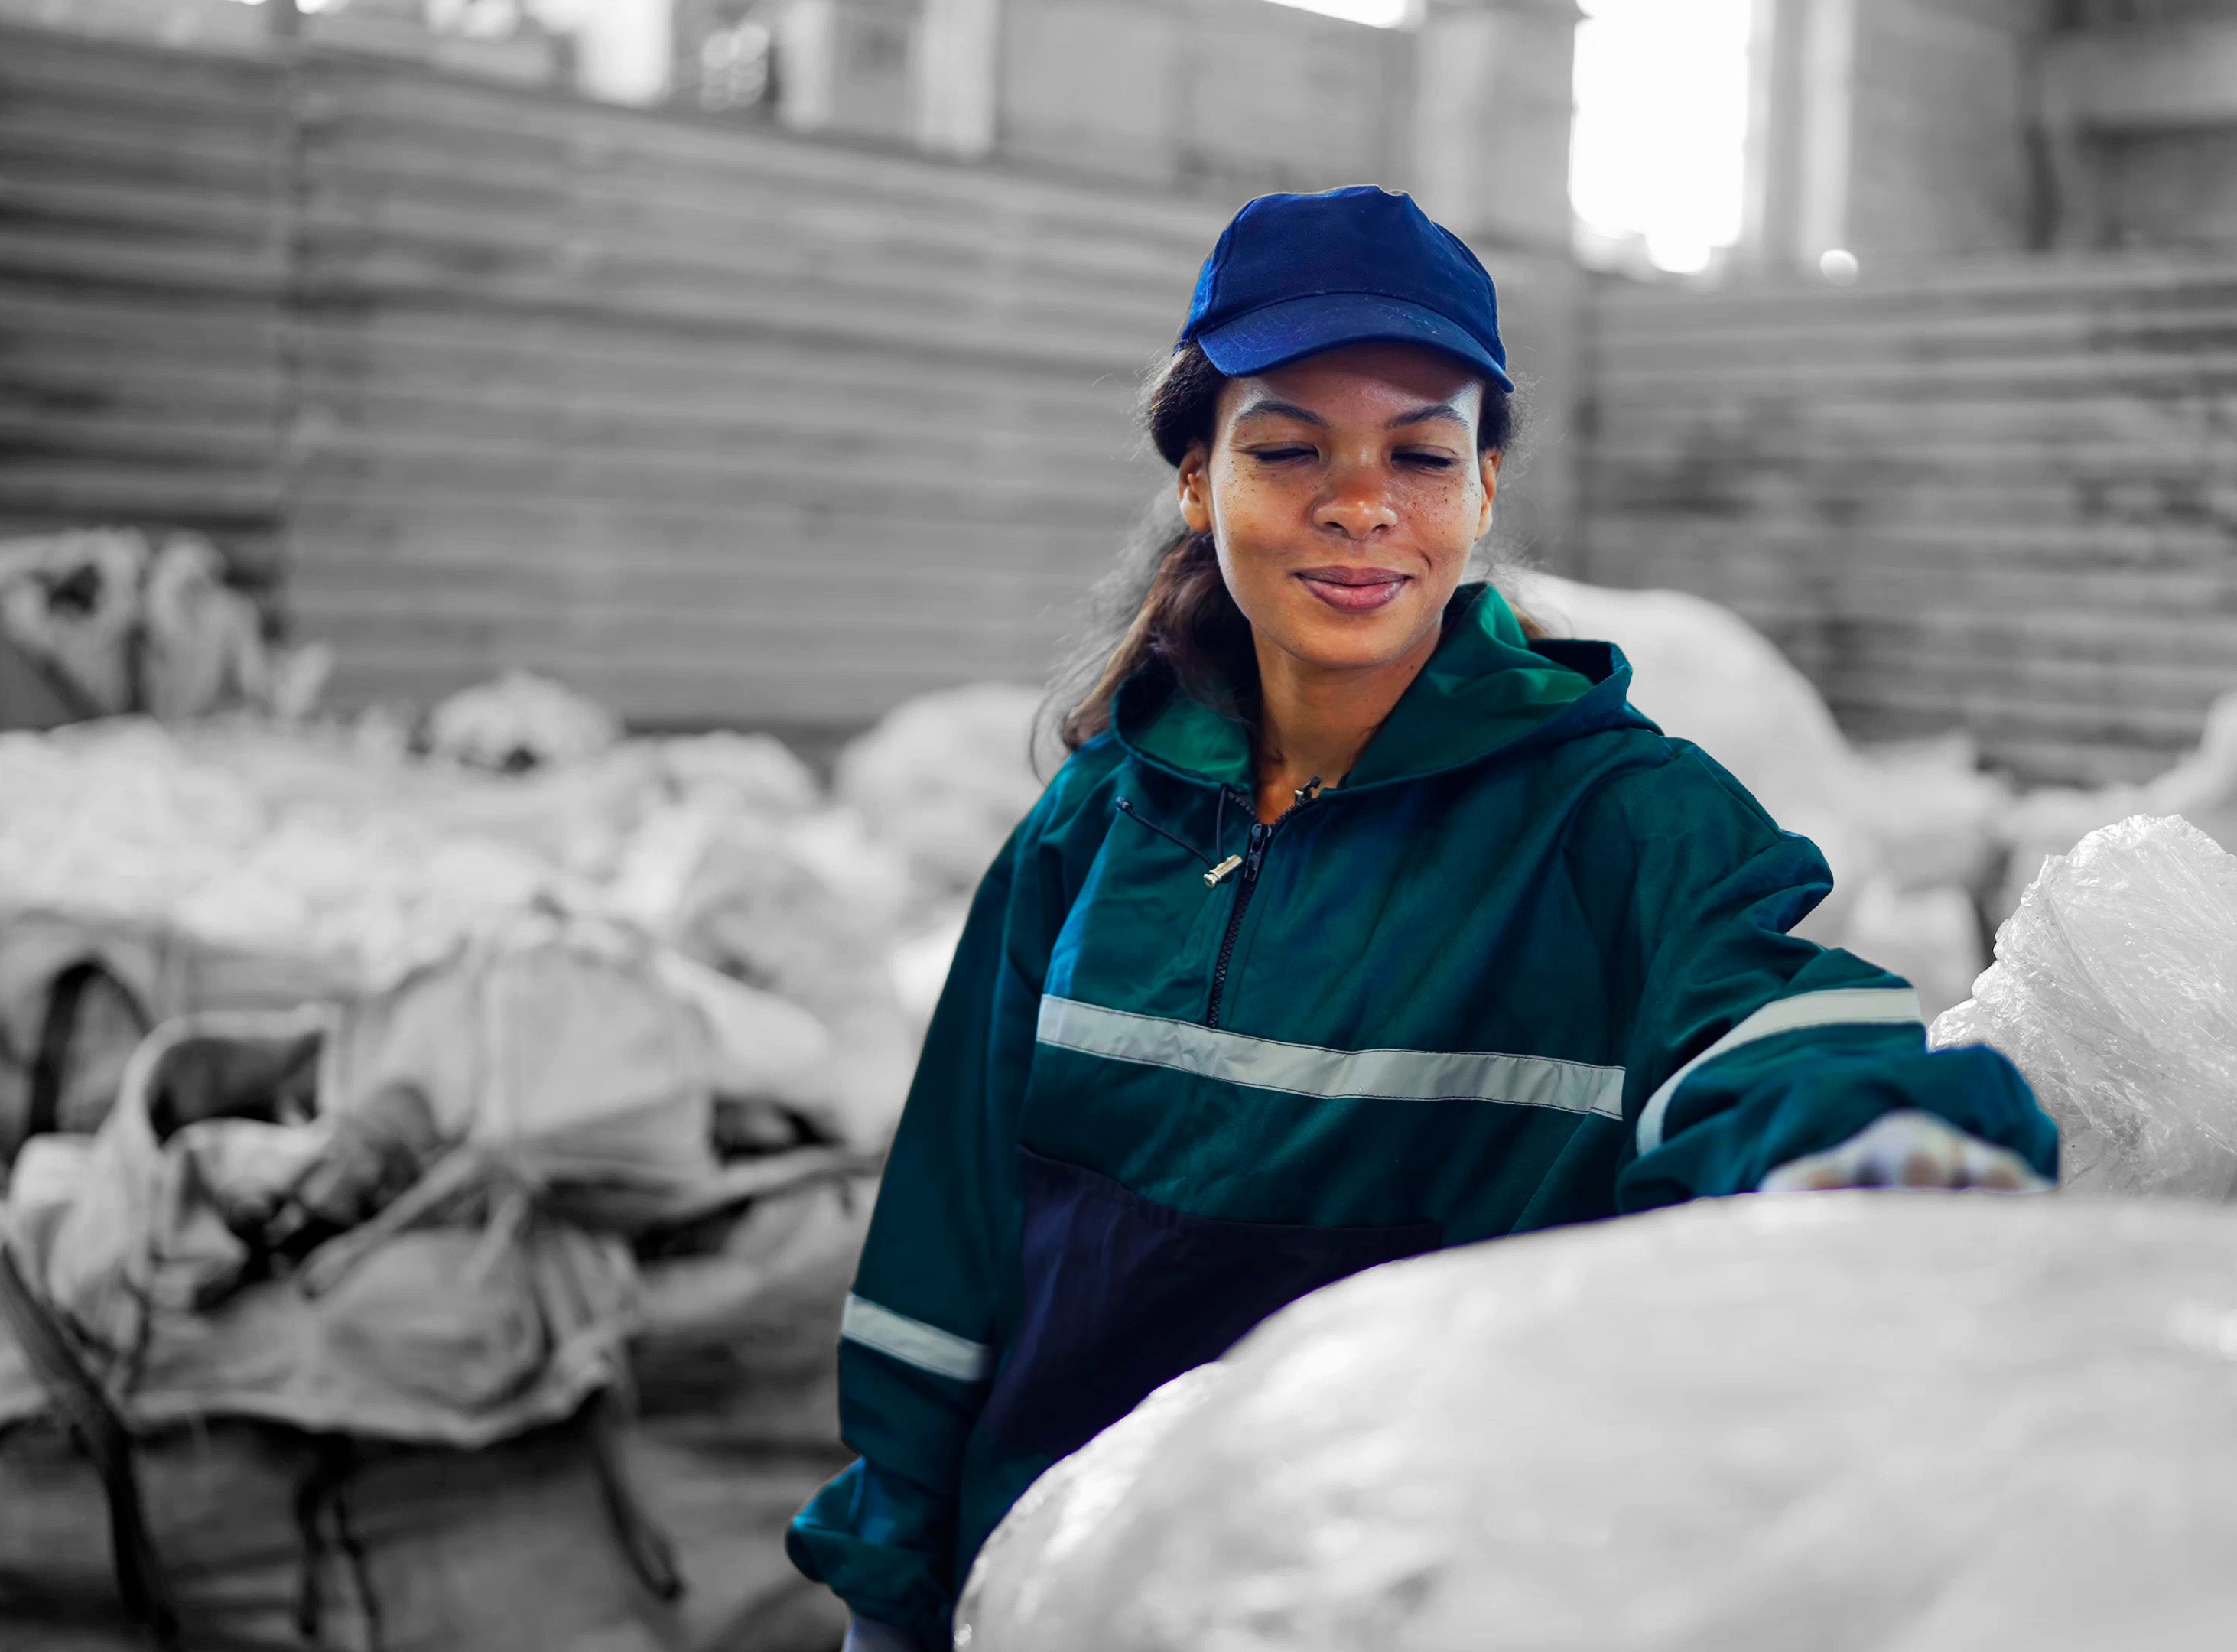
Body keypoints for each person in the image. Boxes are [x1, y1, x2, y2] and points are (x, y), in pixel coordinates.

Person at [788, 186, 2059, 1652]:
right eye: (1287, 450)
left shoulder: (1622, 823)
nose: (1360, 504)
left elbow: (1768, 1029)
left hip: (1400, 1607)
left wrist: (1875, 1141)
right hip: (1060, 1597)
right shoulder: (1095, 826)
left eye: (1420, 454)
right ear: (1197, 479)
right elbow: (947, 1244)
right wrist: (891, 1594)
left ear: (1485, 488)